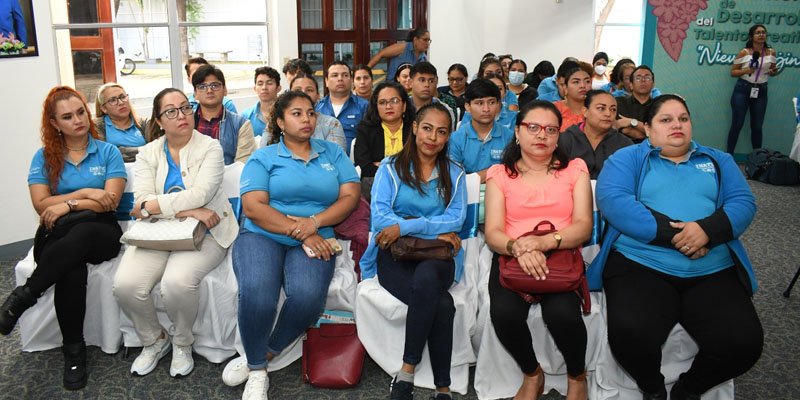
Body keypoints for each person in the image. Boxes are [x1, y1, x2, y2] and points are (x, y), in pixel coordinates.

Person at [589, 94, 763, 400]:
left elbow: (743, 202)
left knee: (744, 343)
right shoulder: (627, 159)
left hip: (712, 268)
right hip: (640, 264)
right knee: (629, 333)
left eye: (683, 118)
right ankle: (653, 388)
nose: (677, 125)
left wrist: (707, 231)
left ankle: (689, 389)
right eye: (666, 120)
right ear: (647, 128)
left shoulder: (718, 160)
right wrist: (685, 237)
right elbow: (615, 200)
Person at [232, 90, 360, 400]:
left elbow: (350, 197)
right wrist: (303, 231)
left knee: (307, 297)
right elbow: (253, 207)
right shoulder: (263, 157)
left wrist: (313, 224)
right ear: (279, 121)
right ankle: (258, 371)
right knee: (258, 293)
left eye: (311, 113)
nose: (307, 119)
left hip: (317, 234)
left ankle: (267, 353)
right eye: (297, 113)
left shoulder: (332, 152)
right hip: (263, 234)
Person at [1, 86, 126, 390]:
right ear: (55, 124)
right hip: (57, 233)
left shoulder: (108, 151)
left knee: (81, 235)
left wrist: (66, 204)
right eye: (67, 117)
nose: (77, 120)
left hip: (100, 231)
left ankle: (23, 297)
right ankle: (74, 351)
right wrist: (85, 193)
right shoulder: (44, 157)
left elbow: (110, 200)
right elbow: (41, 204)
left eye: (81, 112)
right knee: (71, 266)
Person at [113, 88, 238, 379]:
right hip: (158, 232)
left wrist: (157, 206)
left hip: (206, 231)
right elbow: (140, 201)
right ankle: (154, 340)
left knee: (177, 283)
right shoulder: (147, 153)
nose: (181, 115)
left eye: (184, 107)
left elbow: (201, 193)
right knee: (126, 284)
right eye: (171, 111)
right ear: (159, 120)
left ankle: (182, 342)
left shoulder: (210, 148)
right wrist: (187, 211)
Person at [484, 100, 592, 400]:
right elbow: (493, 231)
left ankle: (577, 377)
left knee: (563, 315)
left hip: (560, 252)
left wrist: (544, 243)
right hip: (512, 254)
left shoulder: (574, 169)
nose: (541, 135)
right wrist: (518, 247)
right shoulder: (499, 174)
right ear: (517, 132)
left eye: (550, 129)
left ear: (558, 136)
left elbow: (583, 226)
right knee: (504, 315)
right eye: (533, 127)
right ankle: (532, 374)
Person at [359, 103, 467, 400]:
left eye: (442, 132)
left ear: (448, 137)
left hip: (437, 256)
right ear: (415, 128)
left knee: (429, 279)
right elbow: (381, 219)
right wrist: (434, 228)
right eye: (427, 128)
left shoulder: (454, 173)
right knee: (441, 304)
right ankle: (443, 387)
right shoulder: (391, 168)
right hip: (395, 254)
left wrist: (406, 226)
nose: (433, 137)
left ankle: (406, 370)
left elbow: (456, 219)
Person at [354, 81, 415, 200]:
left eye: (394, 101)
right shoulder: (366, 129)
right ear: (376, 107)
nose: (388, 106)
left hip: (411, 183)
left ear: (404, 106)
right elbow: (364, 167)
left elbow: (419, 164)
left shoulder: (414, 129)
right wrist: (400, 168)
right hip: (376, 184)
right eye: (382, 102)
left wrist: (381, 164)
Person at [726, 24, 780, 154]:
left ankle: (757, 159)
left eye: (763, 32)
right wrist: (747, 70)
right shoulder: (744, 52)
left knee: (757, 127)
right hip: (743, 90)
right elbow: (733, 72)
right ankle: (729, 156)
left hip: (761, 91)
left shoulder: (771, 52)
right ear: (752, 36)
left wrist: (774, 72)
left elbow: (772, 70)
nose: (761, 35)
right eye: (758, 33)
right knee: (737, 124)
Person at [189, 64, 256, 165]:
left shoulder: (242, 125)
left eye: (215, 85)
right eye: (202, 87)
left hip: (228, 178)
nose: (209, 91)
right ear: (195, 94)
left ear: (225, 90)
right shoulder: (186, 123)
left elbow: (242, 165)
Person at [263, 73, 347, 152]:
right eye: (297, 90)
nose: (303, 93)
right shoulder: (277, 122)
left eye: (309, 90)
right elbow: (263, 155)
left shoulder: (331, 124)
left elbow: (336, 159)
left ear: (318, 95)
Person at [449, 78, 513, 181]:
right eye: (479, 103)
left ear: (498, 105)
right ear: (467, 107)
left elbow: (513, 172)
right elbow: (454, 178)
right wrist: (497, 171)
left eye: (491, 102)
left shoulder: (510, 137)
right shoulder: (456, 139)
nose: (486, 109)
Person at [559, 90, 633, 179]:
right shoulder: (565, 139)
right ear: (585, 111)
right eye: (601, 108)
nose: (608, 114)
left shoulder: (624, 144)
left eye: (613, 110)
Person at [316, 61, 369, 154]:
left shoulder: (364, 106)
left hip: (354, 164)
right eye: (335, 75)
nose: (340, 79)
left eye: (345, 75)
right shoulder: (317, 108)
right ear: (326, 81)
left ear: (351, 80)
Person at [93, 82, 147, 162]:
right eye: (113, 100)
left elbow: (156, 150)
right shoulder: (96, 126)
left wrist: (122, 150)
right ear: (104, 108)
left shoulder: (143, 123)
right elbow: (105, 154)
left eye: (123, 97)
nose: (121, 103)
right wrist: (142, 150)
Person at [409, 61, 457, 130]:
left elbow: (449, 138)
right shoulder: (401, 107)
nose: (427, 85)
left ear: (436, 82)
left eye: (431, 81)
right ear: (411, 82)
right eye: (422, 80)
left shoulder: (445, 111)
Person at [614, 66, 656, 143]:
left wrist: (632, 122)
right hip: (624, 149)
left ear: (653, 84)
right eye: (638, 78)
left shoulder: (658, 106)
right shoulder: (620, 102)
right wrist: (650, 134)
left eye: (647, 78)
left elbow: (658, 132)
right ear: (631, 85)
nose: (643, 80)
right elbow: (626, 130)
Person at [241, 66, 281, 138]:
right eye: (260, 84)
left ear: (278, 88)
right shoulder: (246, 116)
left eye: (269, 83)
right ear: (255, 88)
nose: (264, 87)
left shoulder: (287, 113)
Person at [554, 66, 591, 132]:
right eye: (576, 82)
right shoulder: (554, 110)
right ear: (565, 87)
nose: (583, 85)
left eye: (587, 81)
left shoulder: (597, 110)